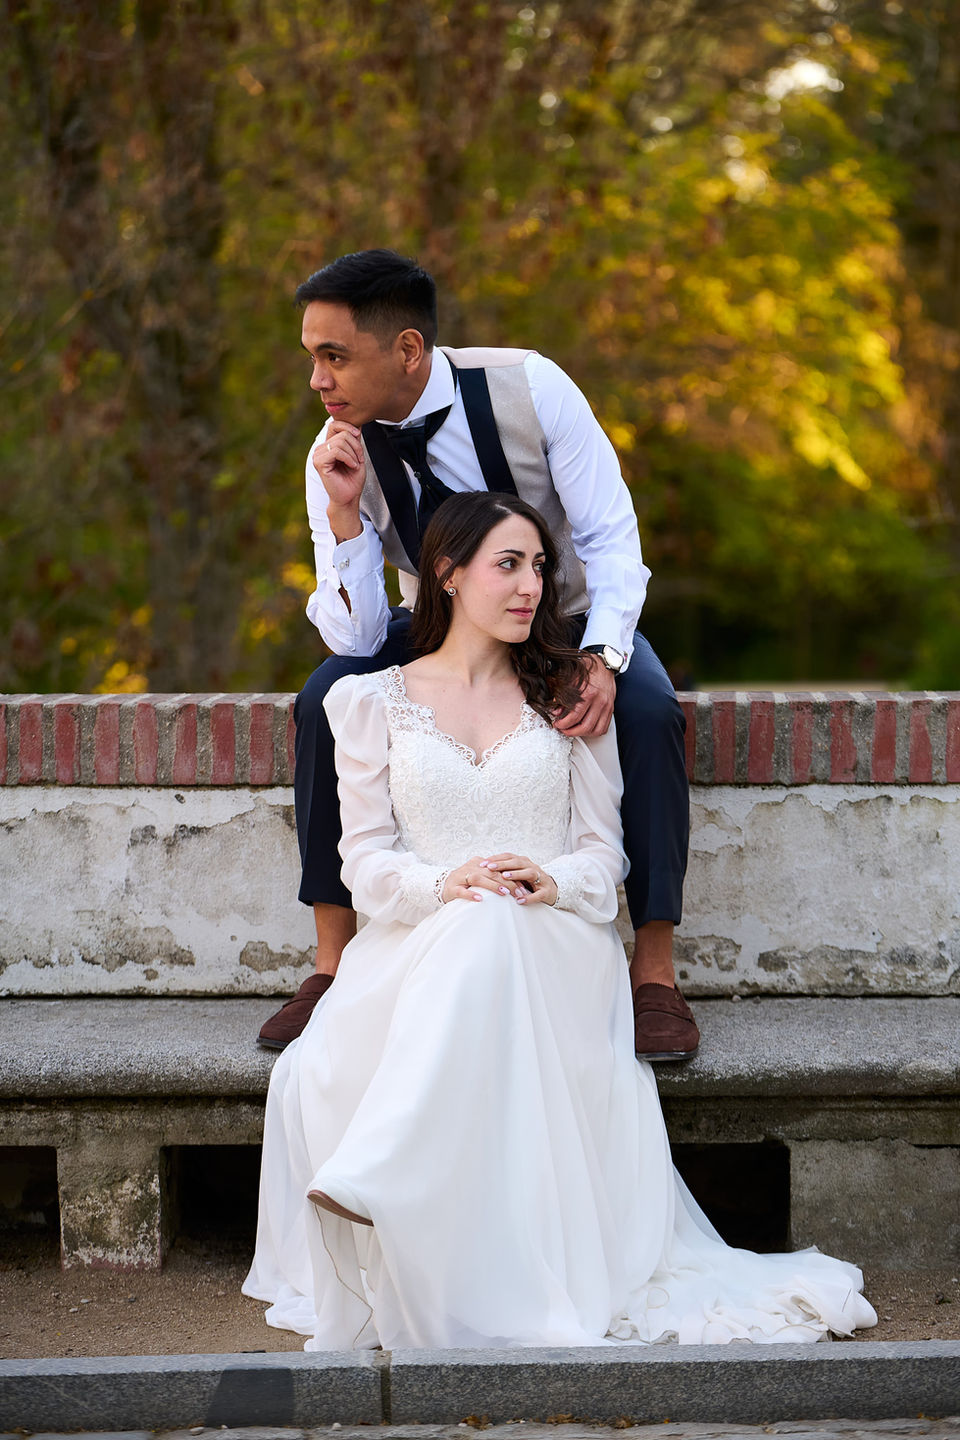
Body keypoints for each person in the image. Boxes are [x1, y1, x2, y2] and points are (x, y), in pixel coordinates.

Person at [243, 491, 876, 1350]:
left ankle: (384, 1170)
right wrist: (447, 884)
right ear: (448, 572)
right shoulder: (367, 704)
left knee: (496, 922)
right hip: (418, 943)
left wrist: (545, 877)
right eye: (509, 564)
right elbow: (365, 867)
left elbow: (604, 856)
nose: (531, 586)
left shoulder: (573, 696)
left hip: (554, 943)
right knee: (468, 930)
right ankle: (405, 1193)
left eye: (540, 566)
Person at [256, 248, 697, 1061]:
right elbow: (353, 638)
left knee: (645, 710)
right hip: (437, 620)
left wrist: (601, 654)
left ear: (408, 350)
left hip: (559, 609)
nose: (318, 380)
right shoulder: (336, 452)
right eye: (312, 358)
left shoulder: (532, 387)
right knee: (324, 697)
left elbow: (609, 536)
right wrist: (347, 515)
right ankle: (329, 961)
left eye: (334, 356)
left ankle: (656, 975)